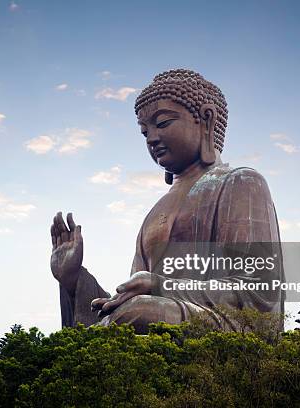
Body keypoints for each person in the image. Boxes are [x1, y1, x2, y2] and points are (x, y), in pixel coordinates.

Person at [50, 69, 284, 334]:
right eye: (144, 131)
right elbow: (128, 297)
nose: (152, 138)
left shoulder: (241, 182)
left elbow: (260, 290)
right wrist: (73, 279)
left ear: (206, 119)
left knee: (140, 312)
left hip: (230, 328)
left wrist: (161, 286)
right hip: (162, 317)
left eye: (162, 124)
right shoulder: (155, 212)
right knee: (131, 314)